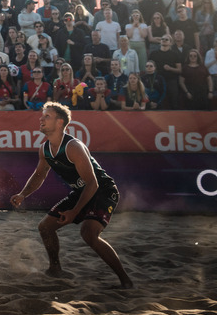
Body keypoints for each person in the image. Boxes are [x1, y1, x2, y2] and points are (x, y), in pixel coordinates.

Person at [10, 102, 132, 288]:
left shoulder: (73, 146)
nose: (41, 119)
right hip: (82, 191)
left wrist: (75, 211)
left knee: (88, 233)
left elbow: (93, 183)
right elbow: (39, 175)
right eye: (42, 116)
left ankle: (126, 280)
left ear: (60, 123)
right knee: (45, 227)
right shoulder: (44, 148)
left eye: (47, 116)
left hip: (103, 190)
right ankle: (55, 269)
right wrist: (23, 194)